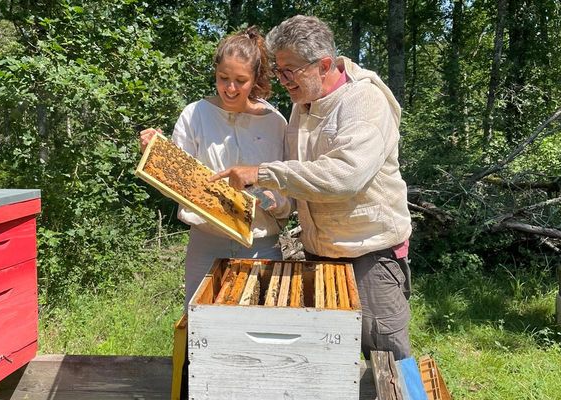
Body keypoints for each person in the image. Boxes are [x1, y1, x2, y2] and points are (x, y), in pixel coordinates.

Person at [210, 15, 413, 360]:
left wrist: (261, 172)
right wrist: (274, 201)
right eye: (278, 70)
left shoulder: (365, 101)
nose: (282, 80)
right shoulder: (302, 105)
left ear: (323, 65)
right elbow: (298, 179)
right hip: (320, 253)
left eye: (290, 70)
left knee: (389, 359)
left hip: (371, 256)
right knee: (330, 362)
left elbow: (346, 176)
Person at [140, 26, 290, 309]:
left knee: (261, 325)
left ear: (255, 79)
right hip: (206, 241)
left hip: (260, 242)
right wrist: (156, 154)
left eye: (240, 80)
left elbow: (289, 191)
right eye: (223, 78)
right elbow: (177, 184)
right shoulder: (195, 114)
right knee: (201, 328)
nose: (230, 88)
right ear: (215, 73)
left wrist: (265, 199)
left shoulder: (275, 122)